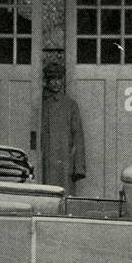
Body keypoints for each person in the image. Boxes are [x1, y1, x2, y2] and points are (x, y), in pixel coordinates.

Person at [40, 66, 86, 194]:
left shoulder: (70, 105)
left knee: (63, 195)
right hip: (43, 158)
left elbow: (78, 137)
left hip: (64, 160)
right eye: (52, 79)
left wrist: (79, 168)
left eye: (59, 79)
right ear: (46, 81)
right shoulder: (40, 104)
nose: (56, 82)